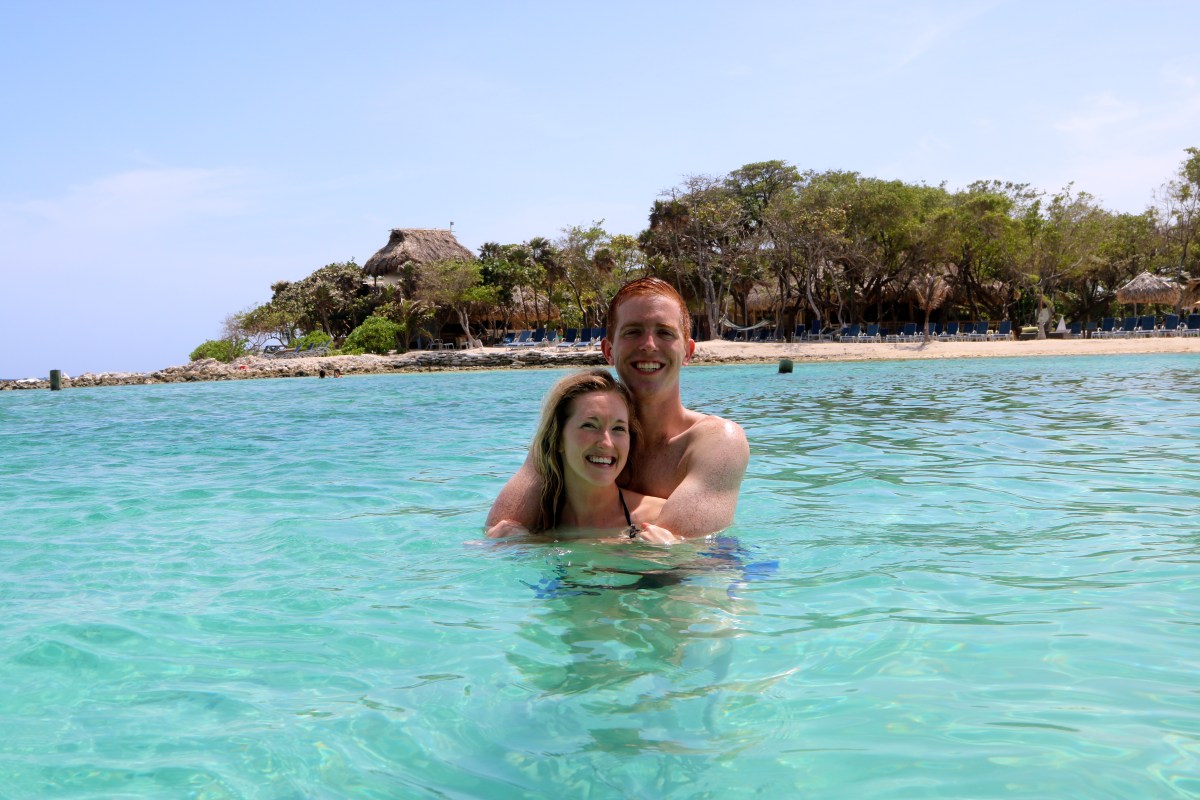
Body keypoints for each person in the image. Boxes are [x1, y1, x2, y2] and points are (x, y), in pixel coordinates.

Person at [487, 276, 749, 542]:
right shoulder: (573, 430)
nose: (649, 345)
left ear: (687, 352)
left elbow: (680, 552)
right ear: (608, 350)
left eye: (665, 333)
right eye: (633, 331)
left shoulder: (716, 442)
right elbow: (501, 532)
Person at [516, 368, 663, 537]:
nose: (606, 443)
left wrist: (671, 550)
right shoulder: (534, 528)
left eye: (618, 428)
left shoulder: (658, 518)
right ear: (557, 439)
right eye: (590, 425)